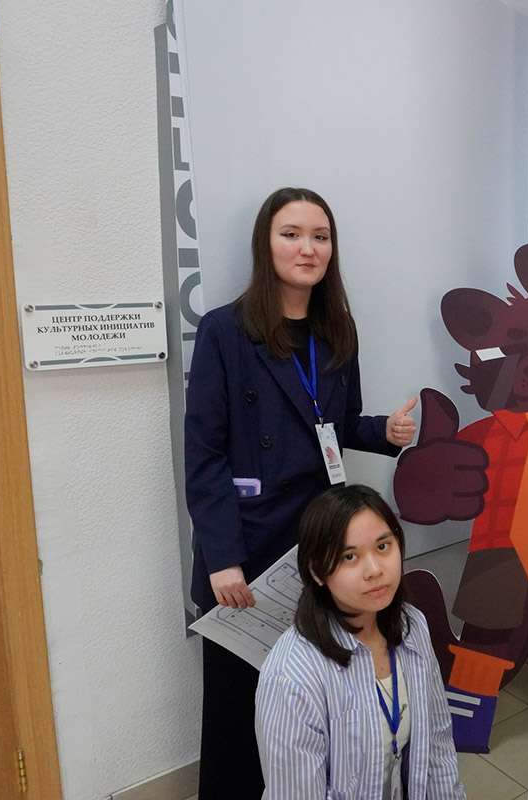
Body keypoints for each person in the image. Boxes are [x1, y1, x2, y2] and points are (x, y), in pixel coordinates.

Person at [184, 187, 418, 799]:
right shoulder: (224, 330)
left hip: (318, 542)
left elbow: (336, 425)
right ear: (265, 243)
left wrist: (385, 432)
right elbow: (204, 455)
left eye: (320, 236)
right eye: (291, 234)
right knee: (237, 702)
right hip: (248, 543)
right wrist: (222, 557)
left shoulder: (337, 329)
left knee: (312, 692)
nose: (307, 248)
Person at [256, 485, 466, 799]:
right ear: (317, 572)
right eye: (349, 556)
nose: (375, 570)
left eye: (383, 546)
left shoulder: (412, 625)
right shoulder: (291, 678)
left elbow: (436, 740)